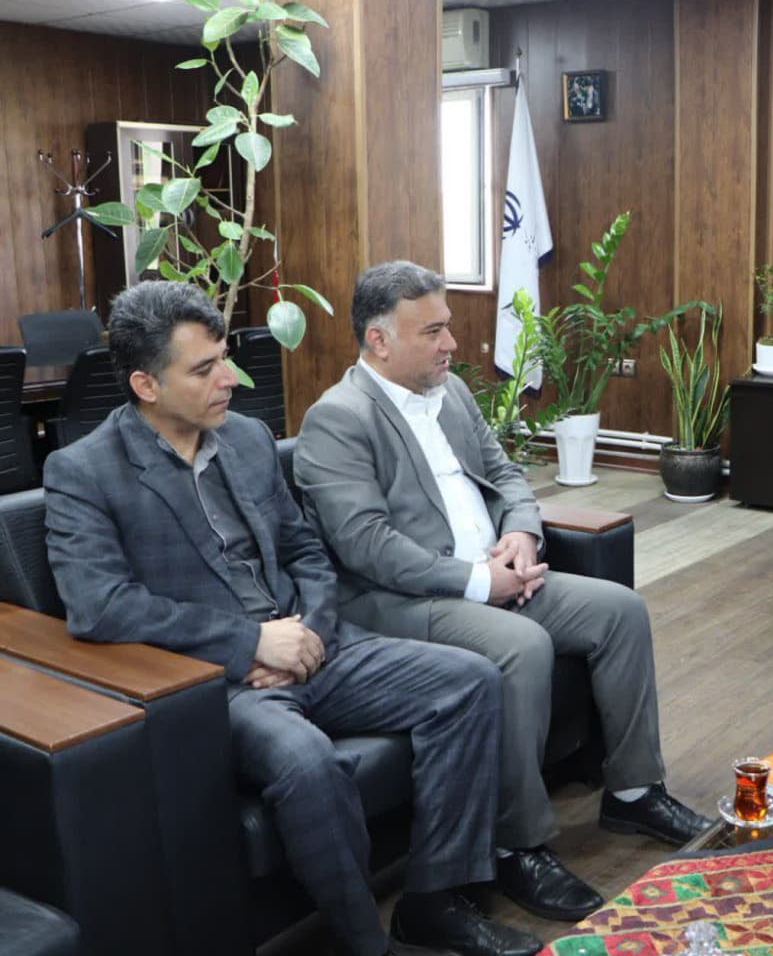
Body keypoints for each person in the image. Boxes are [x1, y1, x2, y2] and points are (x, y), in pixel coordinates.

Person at [43, 281, 543, 956]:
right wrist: (251, 641)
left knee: (470, 682)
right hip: (220, 682)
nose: (229, 378)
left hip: (312, 643)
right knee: (307, 761)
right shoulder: (83, 471)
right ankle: (366, 944)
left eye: (224, 357)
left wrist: (311, 631)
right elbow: (100, 604)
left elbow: (307, 549)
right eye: (204, 368)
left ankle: (434, 899)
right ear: (146, 384)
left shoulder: (247, 438)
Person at [294, 261, 713, 923]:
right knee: (522, 647)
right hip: (403, 602)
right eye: (432, 331)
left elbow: (506, 474)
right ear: (379, 340)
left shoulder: (453, 392)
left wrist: (520, 533)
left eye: (448, 327)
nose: (452, 343)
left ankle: (633, 792)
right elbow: (365, 545)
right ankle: (515, 845)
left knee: (620, 611)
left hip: (497, 573)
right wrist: (476, 581)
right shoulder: (338, 419)